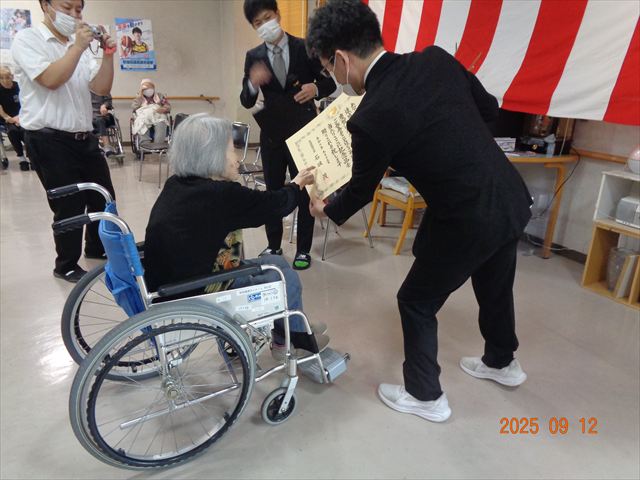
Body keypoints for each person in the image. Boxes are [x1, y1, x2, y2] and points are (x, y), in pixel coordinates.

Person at [307, 0, 533, 422]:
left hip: (466, 214)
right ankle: (503, 362)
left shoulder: (370, 116)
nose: (334, 77)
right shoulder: (436, 59)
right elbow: (488, 110)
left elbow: (360, 191)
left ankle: (425, 396)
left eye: (328, 68)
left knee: (415, 300)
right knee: (495, 283)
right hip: (509, 197)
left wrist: (324, 208)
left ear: (341, 58)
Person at [143, 113, 328, 356]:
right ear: (211, 155)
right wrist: (297, 184)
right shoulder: (220, 194)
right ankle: (294, 340)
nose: (239, 158)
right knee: (286, 278)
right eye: (232, 150)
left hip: (174, 279)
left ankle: (291, 327)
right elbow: (273, 205)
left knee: (276, 260)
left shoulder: (177, 184)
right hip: (198, 288)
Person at [11, 0, 117, 283]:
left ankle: (96, 247)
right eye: (66, 7)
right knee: (69, 204)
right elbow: (50, 79)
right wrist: (78, 47)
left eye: (78, 10)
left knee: (103, 196)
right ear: (45, 5)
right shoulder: (28, 39)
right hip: (48, 138)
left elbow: (100, 88)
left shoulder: (76, 43)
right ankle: (66, 264)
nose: (74, 15)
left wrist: (108, 56)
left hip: (84, 136)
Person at [240, 0, 336, 270]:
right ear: (254, 27)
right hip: (271, 135)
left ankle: (303, 249)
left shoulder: (305, 47)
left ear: (278, 15)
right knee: (272, 191)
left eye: (267, 18)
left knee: (305, 191)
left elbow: (330, 81)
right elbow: (246, 100)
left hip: (305, 134)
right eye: (258, 23)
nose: (264, 25)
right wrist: (252, 83)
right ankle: (273, 245)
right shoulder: (253, 55)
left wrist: (315, 89)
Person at [0, 66, 30, 170]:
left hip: (23, 116)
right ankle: (22, 159)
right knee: (13, 132)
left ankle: (31, 157)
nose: (5, 80)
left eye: (7, 77)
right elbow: (1, 110)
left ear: (12, 76)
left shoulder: (19, 86)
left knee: (27, 132)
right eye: (1, 78)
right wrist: (10, 119)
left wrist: (20, 117)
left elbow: (26, 103)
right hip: (7, 119)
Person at [131, 78, 170, 146]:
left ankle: (158, 145)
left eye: (150, 87)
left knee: (161, 122)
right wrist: (140, 98)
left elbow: (167, 106)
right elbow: (134, 108)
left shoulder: (160, 96)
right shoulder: (138, 97)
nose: (148, 90)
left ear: (153, 88)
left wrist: (164, 108)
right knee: (142, 123)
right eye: (145, 89)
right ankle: (145, 144)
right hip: (144, 116)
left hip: (158, 115)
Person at [90, 91, 115, 156]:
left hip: (102, 116)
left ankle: (107, 147)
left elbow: (109, 101)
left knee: (99, 120)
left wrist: (104, 105)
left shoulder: (102, 88)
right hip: (89, 117)